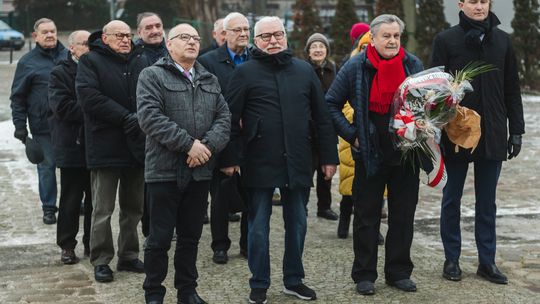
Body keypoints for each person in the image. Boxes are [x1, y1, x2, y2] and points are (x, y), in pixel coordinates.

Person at [221, 16, 338, 304]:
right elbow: (229, 119)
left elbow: (322, 118)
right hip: (258, 160)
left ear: (286, 37)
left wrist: (328, 157)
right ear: (256, 41)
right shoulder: (245, 73)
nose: (273, 41)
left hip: (299, 158)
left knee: (297, 223)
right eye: (265, 36)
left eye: (277, 35)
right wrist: (229, 158)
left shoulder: (304, 71)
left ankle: (294, 280)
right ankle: (258, 283)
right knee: (258, 226)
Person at [326, 14, 423, 295]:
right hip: (369, 152)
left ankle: (398, 272)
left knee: (403, 216)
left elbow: (427, 104)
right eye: (387, 36)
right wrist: (352, 135)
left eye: (396, 36)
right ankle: (364, 274)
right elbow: (331, 103)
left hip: (406, 153)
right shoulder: (357, 65)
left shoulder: (412, 64)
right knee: (367, 216)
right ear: (373, 37)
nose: (392, 41)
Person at [430, 0, 524, 285]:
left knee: (487, 202)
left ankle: (487, 261)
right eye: (473, 1)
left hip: (493, 131)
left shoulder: (503, 42)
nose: (479, 7)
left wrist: (516, 130)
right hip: (457, 132)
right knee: (452, 199)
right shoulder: (446, 40)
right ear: (461, 4)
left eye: (484, 1)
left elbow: (512, 86)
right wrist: (435, 129)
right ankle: (452, 259)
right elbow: (434, 90)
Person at [138, 23, 231, 304]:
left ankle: (187, 292)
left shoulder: (208, 79)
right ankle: (154, 293)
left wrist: (206, 148)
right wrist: (189, 144)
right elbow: (150, 117)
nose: (192, 42)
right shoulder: (152, 75)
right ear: (169, 44)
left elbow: (224, 119)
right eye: (184, 38)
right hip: (164, 172)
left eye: (195, 38)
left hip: (199, 171)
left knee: (191, 237)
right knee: (160, 239)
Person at [76, 20, 148, 283]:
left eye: (128, 35)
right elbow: (89, 98)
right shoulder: (90, 61)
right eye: (119, 35)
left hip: (136, 145)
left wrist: (139, 119)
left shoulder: (140, 61)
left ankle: (128, 255)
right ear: (104, 38)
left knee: (134, 207)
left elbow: (150, 95)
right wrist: (126, 117)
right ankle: (101, 259)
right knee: (102, 208)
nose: (125, 39)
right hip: (105, 145)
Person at [198, 11, 251, 265]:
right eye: (237, 30)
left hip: (253, 137)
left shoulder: (256, 58)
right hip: (221, 135)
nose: (242, 34)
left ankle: (248, 243)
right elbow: (206, 102)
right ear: (224, 34)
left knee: (252, 193)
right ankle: (220, 245)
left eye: (245, 29)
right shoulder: (209, 62)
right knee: (220, 195)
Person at [10, 18, 67, 224]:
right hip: (42, 125)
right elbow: (18, 96)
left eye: (52, 30)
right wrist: (20, 126)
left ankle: (74, 202)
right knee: (46, 167)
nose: (50, 35)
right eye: (45, 32)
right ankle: (49, 207)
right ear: (35, 36)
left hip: (69, 124)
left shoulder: (67, 55)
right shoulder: (27, 62)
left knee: (72, 166)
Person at [48, 30, 92, 264]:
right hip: (71, 145)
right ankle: (67, 245)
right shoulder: (59, 73)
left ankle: (91, 243)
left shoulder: (97, 70)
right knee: (71, 200)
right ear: (72, 48)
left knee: (96, 201)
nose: (87, 48)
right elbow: (62, 107)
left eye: (89, 44)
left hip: (96, 146)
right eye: (83, 44)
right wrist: (95, 110)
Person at [135, 12, 168, 239]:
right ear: (139, 32)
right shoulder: (135, 57)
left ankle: (168, 226)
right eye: (149, 27)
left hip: (175, 127)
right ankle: (150, 230)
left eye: (158, 25)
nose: (155, 30)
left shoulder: (173, 51)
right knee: (149, 185)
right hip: (144, 129)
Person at [304, 33, 339, 221]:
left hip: (328, 127)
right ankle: (301, 205)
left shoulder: (333, 69)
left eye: (321, 46)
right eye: (314, 46)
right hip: (308, 127)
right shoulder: (302, 70)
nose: (318, 50)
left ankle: (324, 207)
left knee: (327, 171)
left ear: (327, 50)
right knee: (307, 168)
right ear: (308, 51)